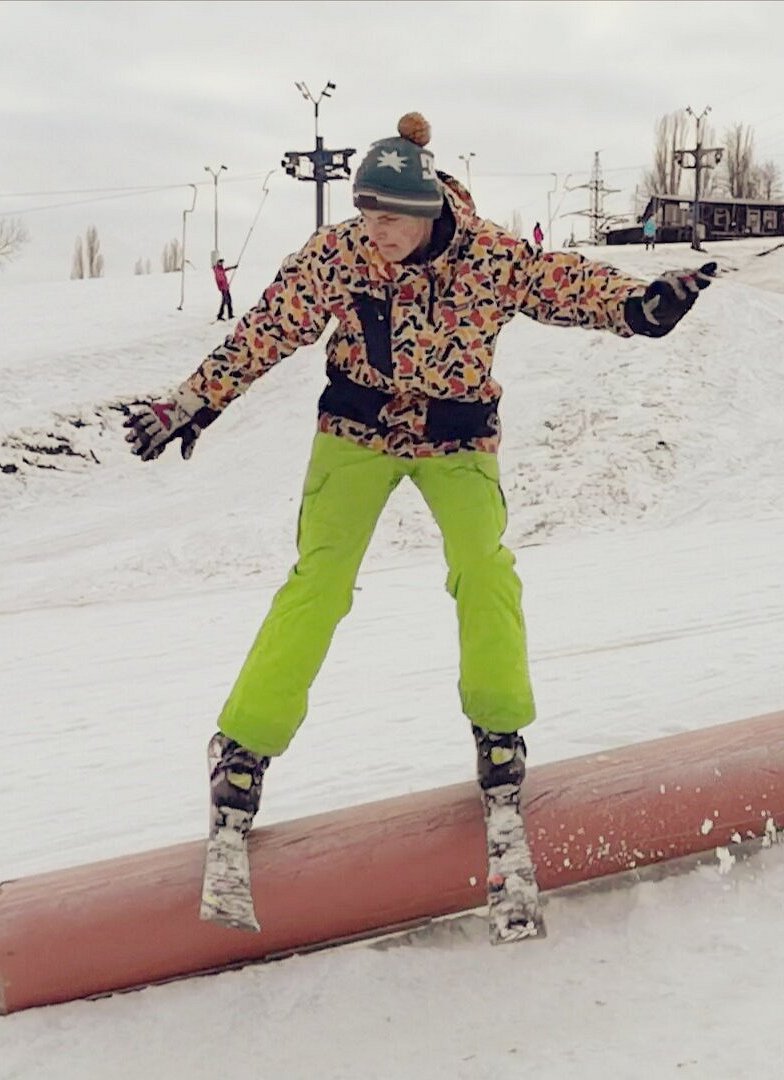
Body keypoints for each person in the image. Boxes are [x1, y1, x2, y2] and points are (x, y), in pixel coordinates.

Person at [124, 111, 715, 846]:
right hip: (355, 432)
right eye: (365, 211)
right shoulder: (340, 255)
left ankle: (500, 733)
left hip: (457, 434)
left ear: (426, 209)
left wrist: (638, 307)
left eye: (388, 215)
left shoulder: (488, 256)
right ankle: (243, 748)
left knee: (484, 569)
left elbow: (564, 282)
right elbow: (270, 327)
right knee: (320, 580)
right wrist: (194, 403)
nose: (375, 228)